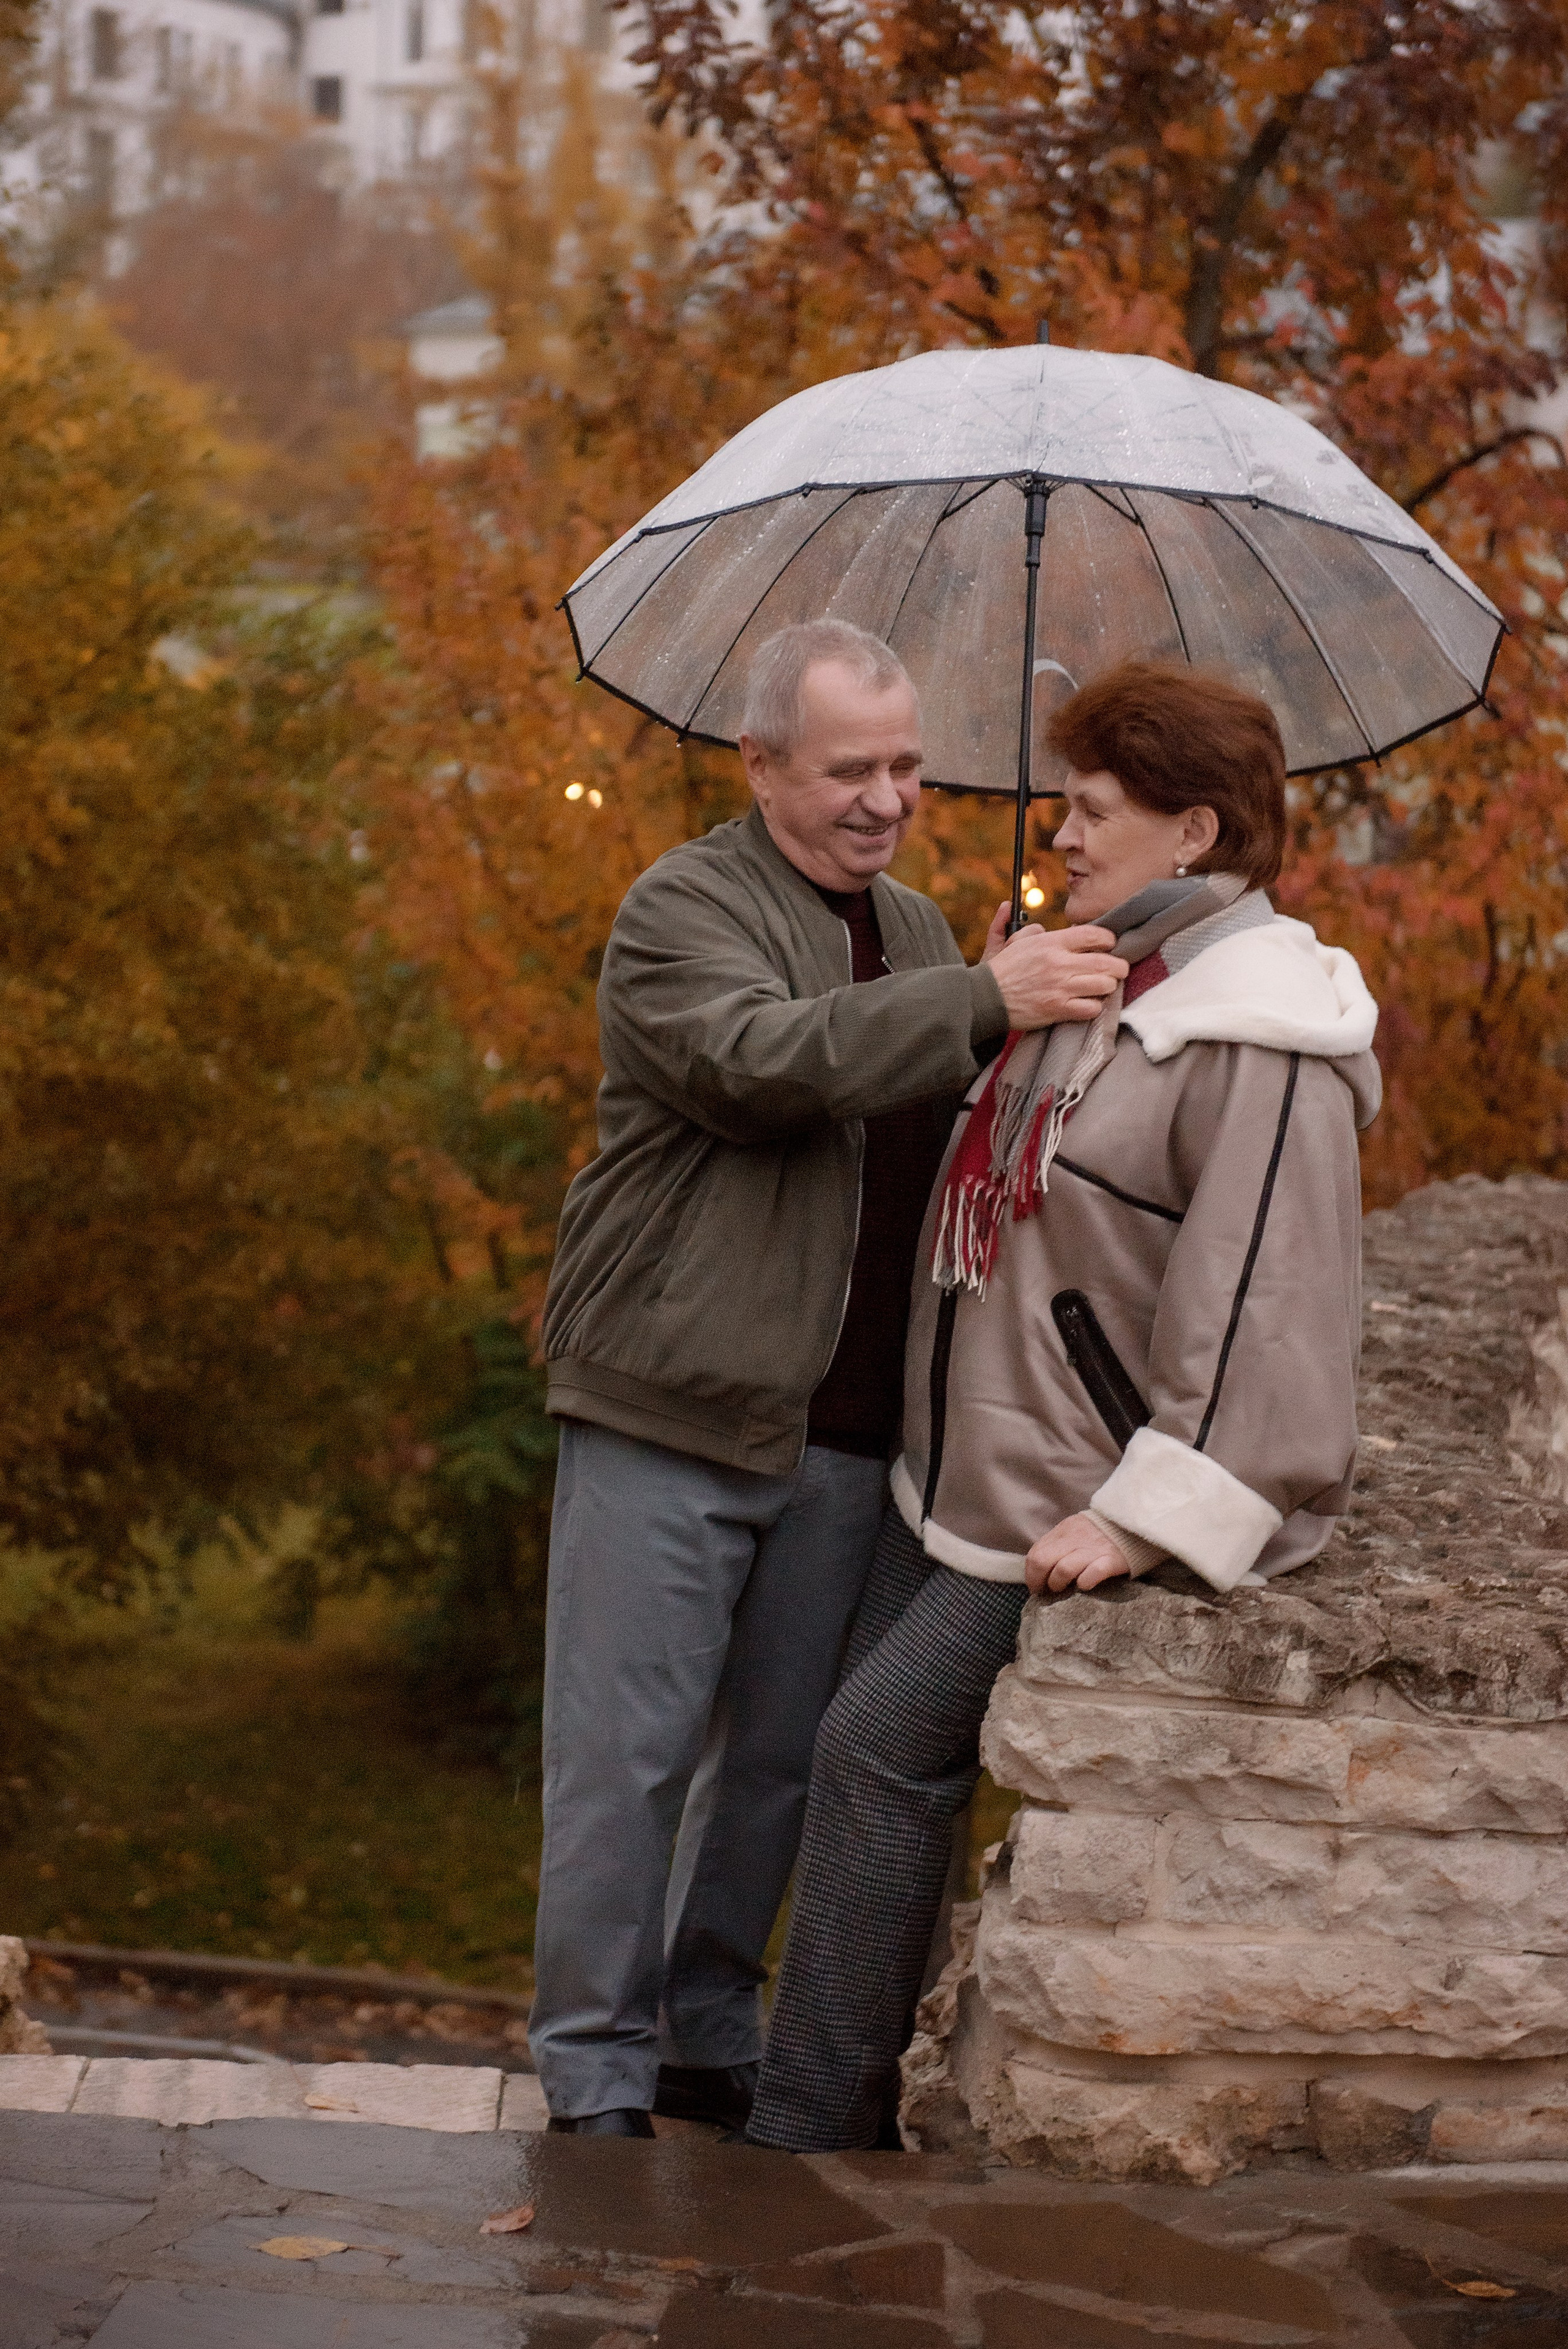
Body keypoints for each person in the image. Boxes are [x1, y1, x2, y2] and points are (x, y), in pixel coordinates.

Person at [745, 658, 1382, 2154]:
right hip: (951, 1479)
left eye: (1092, 810)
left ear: (1194, 832)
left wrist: (1153, 1508)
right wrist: (999, 1006)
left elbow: (1265, 1309)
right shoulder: (1101, 974)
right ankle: (817, 2106)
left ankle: (801, 2137)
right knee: (844, 1763)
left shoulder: (1258, 1029)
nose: (1061, 833)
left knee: (869, 1751)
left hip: (1068, 1498)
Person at [530, 618, 1132, 2136]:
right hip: (672, 1402)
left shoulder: (934, 935)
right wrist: (981, 1005)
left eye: (908, 767)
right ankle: (595, 2073)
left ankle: (701, 2037)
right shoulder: (683, 905)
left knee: (781, 1772)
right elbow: (760, 1062)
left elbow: (957, 1146)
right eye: (849, 766)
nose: (885, 798)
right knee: (628, 1762)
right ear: (760, 766)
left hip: (852, 1434)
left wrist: (1007, 1017)